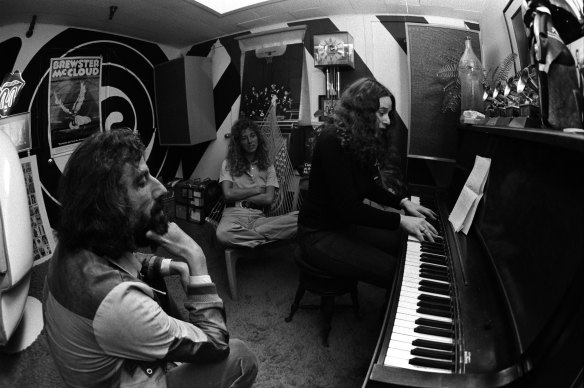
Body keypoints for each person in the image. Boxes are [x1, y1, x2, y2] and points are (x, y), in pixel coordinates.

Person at [43, 128, 258, 388]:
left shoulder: (73, 244)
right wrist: (195, 256)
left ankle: (172, 347)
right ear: (108, 204)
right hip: (131, 377)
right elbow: (216, 344)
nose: (161, 189)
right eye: (142, 181)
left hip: (109, 358)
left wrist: (171, 265)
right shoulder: (120, 303)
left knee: (157, 280)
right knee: (241, 357)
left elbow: (124, 259)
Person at [297, 78, 439, 288]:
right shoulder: (331, 140)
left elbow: (367, 187)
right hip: (318, 234)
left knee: (400, 242)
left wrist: (402, 202)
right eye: (381, 112)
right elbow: (348, 208)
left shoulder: (356, 140)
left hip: (341, 225)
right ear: (361, 112)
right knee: (394, 272)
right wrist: (400, 221)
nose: (388, 120)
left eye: (388, 113)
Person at [216, 118, 298, 248]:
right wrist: (257, 190)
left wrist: (239, 193)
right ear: (238, 142)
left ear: (258, 138)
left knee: (299, 219)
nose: (250, 141)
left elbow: (268, 198)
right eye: (244, 138)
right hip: (233, 215)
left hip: (258, 218)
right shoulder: (228, 163)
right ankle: (267, 237)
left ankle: (252, 237)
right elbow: (228, 194)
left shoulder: (268, 166)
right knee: (223, 234)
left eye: (252, 136)